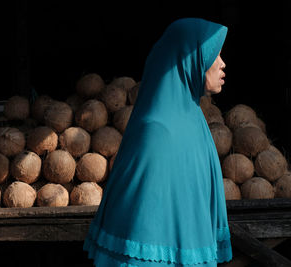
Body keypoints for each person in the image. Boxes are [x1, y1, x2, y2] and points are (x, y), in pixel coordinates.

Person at [83, 18, 233, 266]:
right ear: (190, 58)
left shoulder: (195, 120)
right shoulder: (157, 133)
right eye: (213, 54)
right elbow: (141, 233)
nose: (222, 63)